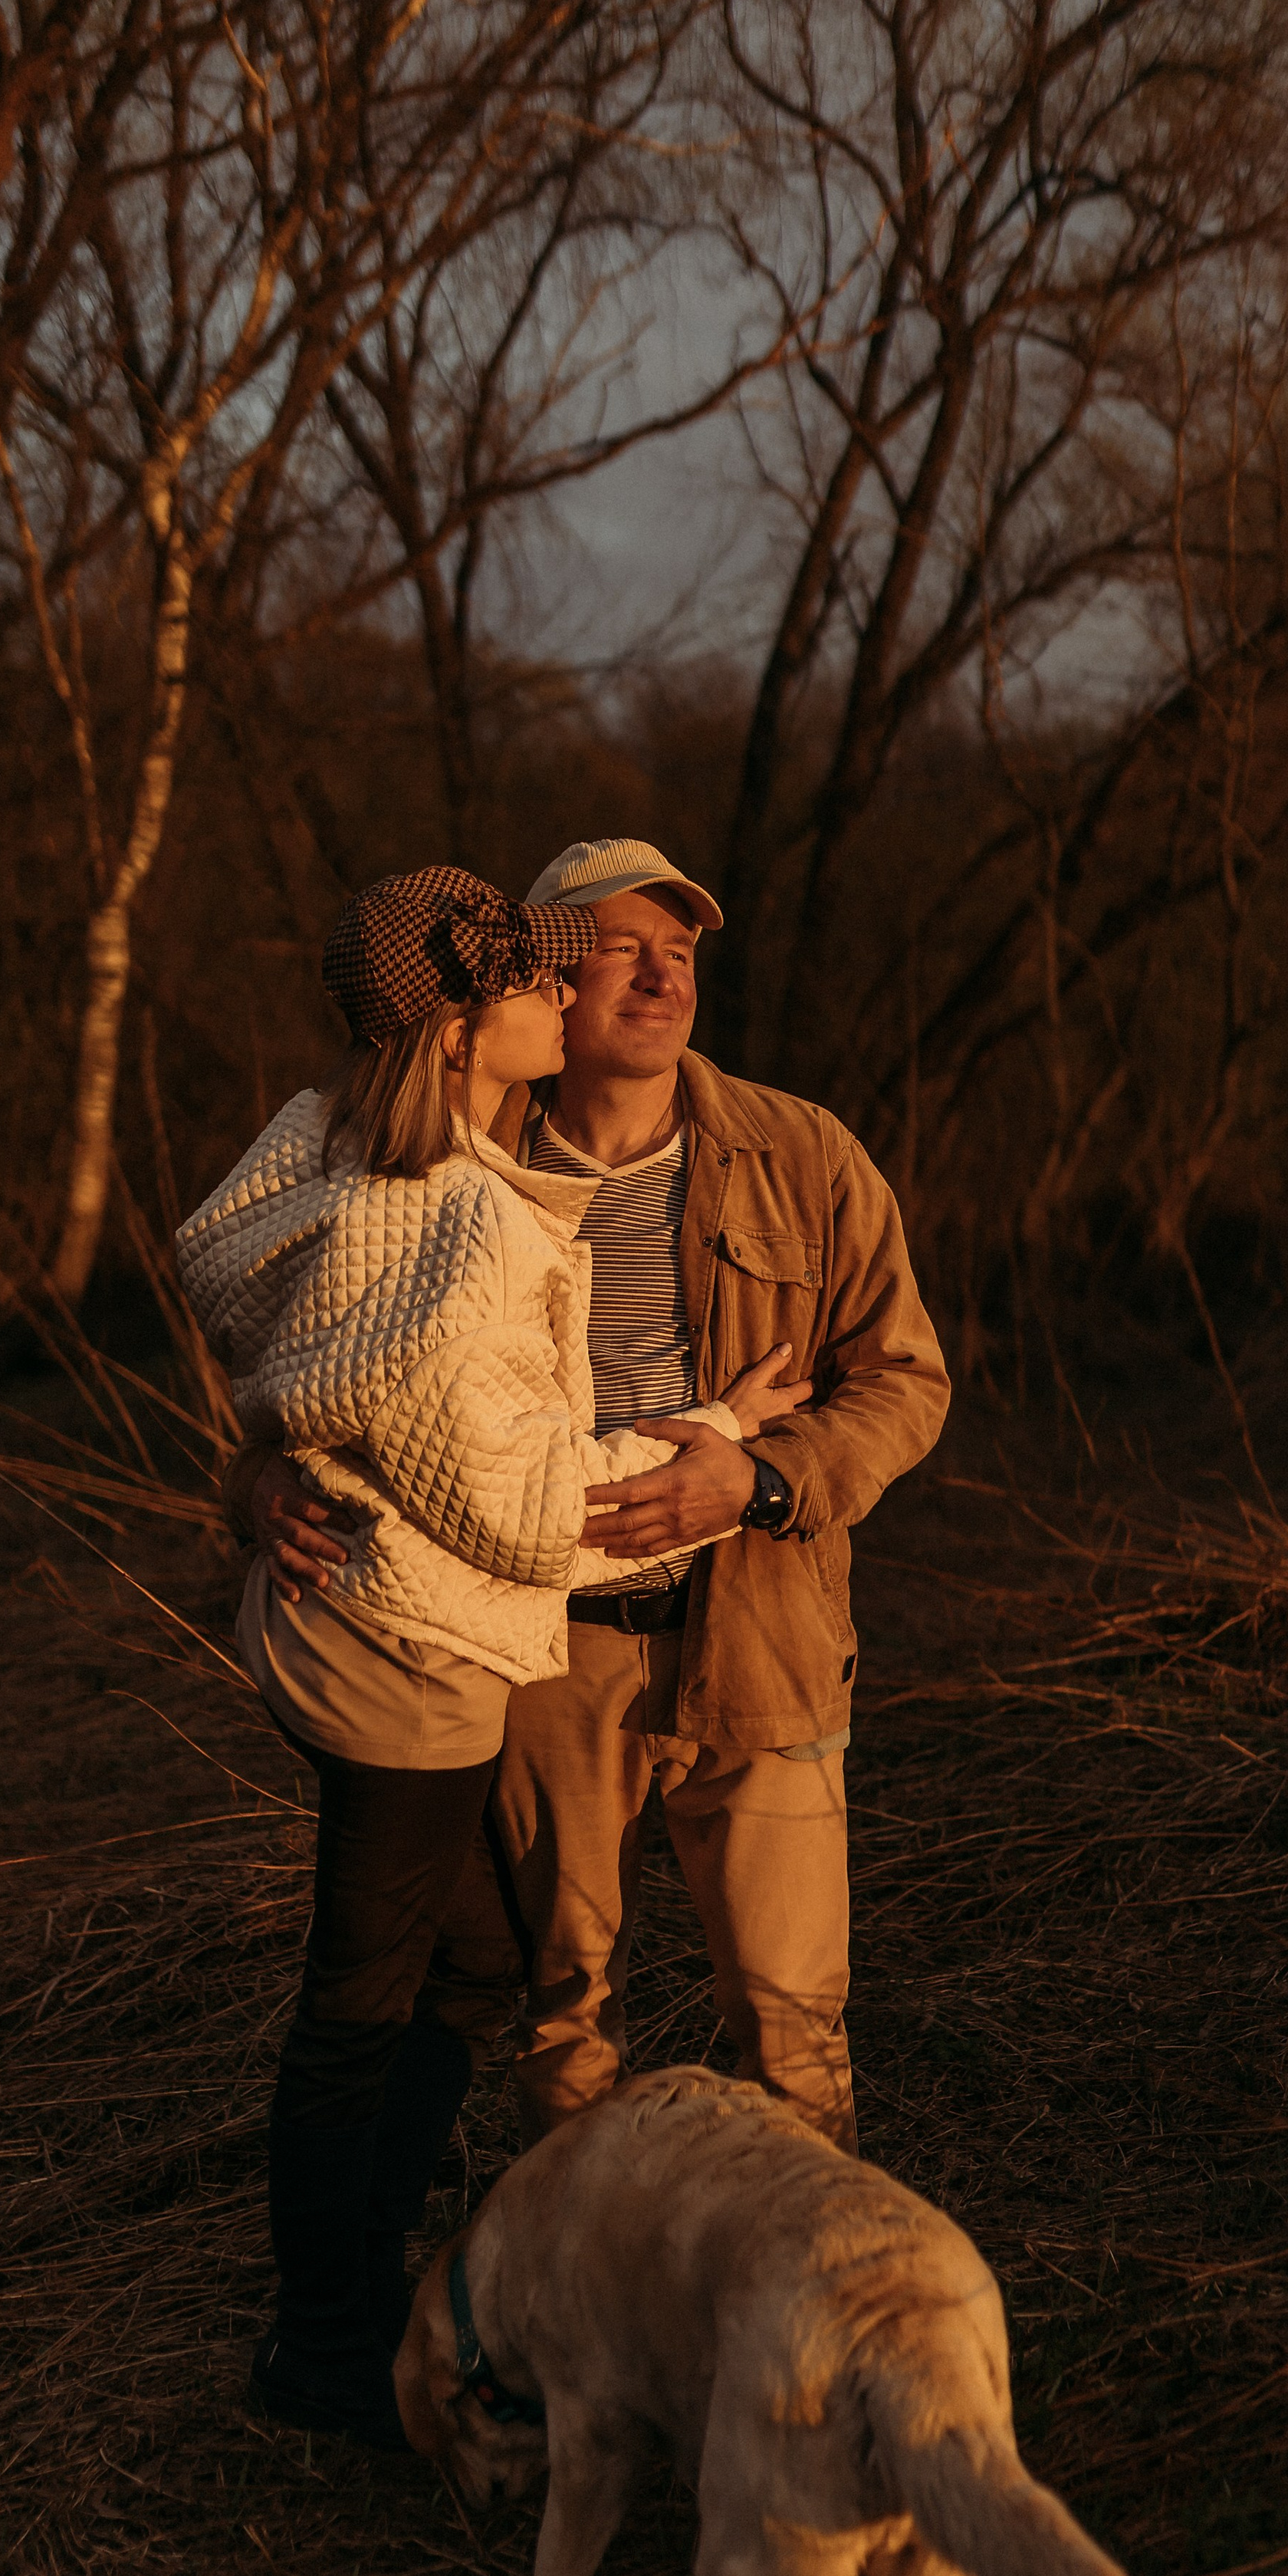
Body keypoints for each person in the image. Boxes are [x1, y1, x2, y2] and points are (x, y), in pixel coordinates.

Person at [176, 865, 807, 2443]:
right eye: (529, 980)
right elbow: (531, 1512)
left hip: (333, 1630)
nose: (559, 991)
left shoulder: (334, 1150)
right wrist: (719, 1439)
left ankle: (361, 2291)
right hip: (415, 1665)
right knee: (363, 1999)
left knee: (468, 1956)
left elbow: (226, 1275)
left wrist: (272, 1459)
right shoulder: (461, 1228)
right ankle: (327, 2351)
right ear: (459, 1031)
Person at [238, 836, 951, 2160]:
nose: (660, 973)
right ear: (550, 979)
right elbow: (325, 1351)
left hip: (765, 1644)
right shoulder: (451, 1157)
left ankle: (803, 2303)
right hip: (549, 1655)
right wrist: (267, 1468)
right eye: (622, 944)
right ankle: (581, 2316)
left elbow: (906, 1382)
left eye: (680, 950)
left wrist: (766, 1475)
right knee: (565, 2018)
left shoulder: (803, 1154)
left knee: (793, 2023)